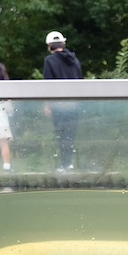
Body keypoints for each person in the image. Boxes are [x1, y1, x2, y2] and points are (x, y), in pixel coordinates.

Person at [42, 31, 83, 171]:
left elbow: (48, 85)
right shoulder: (75, 60)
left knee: (61, 134)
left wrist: (47, 105)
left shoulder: (49, 61)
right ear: (63, 44)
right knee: (71, 135)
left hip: (58, 104)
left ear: (49, 47)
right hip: (74, 104)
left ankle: (64, 165)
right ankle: (69, 163)